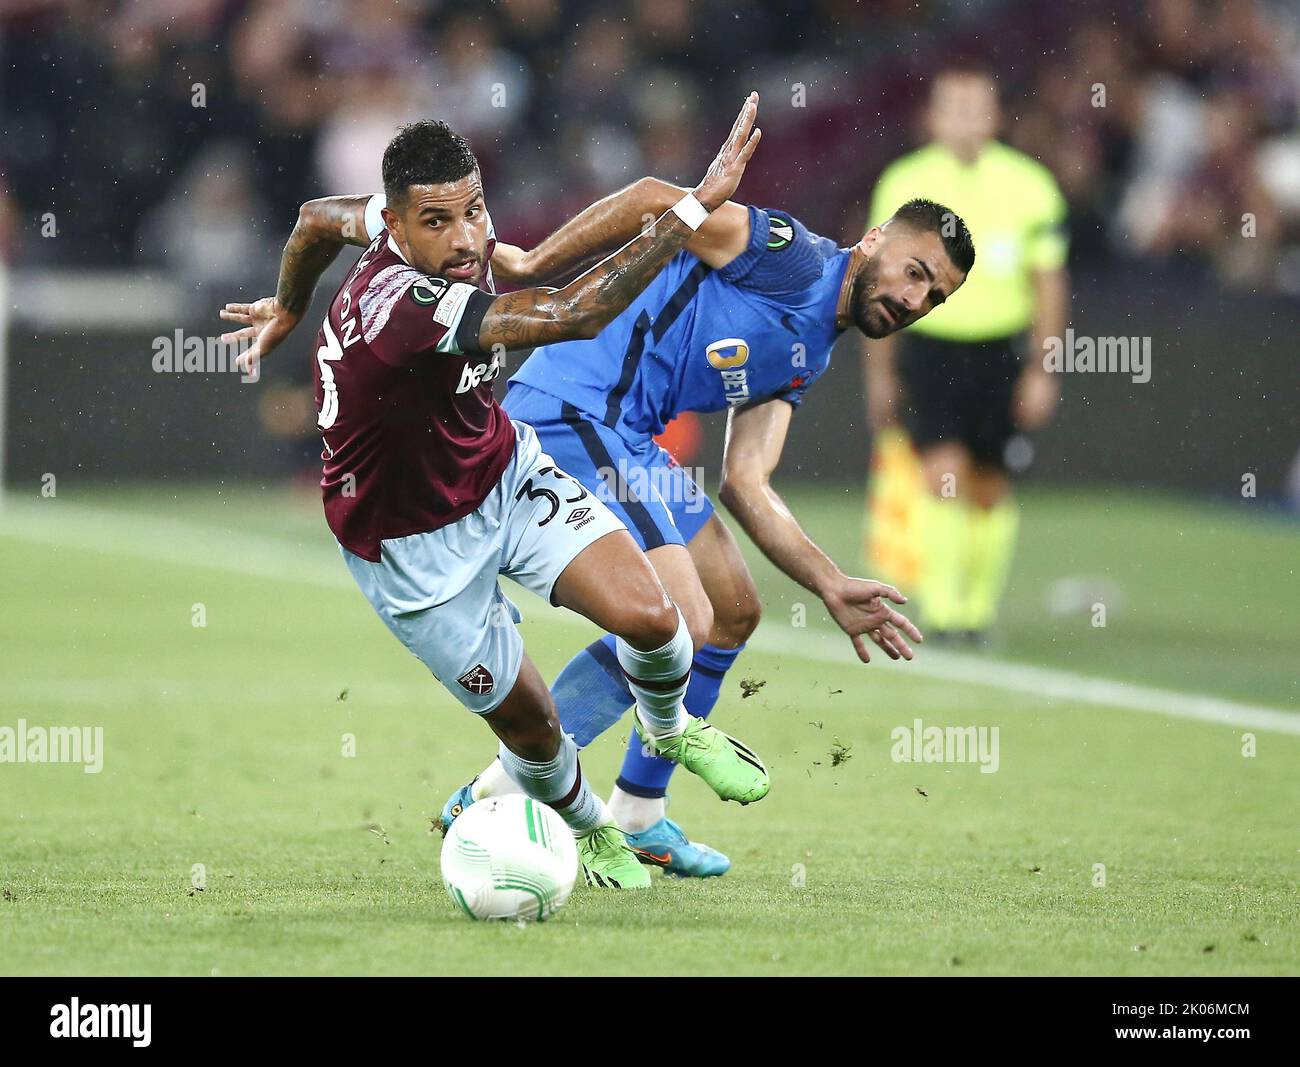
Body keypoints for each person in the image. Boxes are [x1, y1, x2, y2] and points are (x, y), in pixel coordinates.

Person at [218, 96, 769, 891]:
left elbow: (311, 220)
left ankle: (673, 725)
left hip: (505, 475)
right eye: (438, 223)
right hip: (410, 548)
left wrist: (290, 307)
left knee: (657, 618)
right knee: (535, 730)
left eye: (474, 210)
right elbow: (574, 313)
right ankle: (592, 829)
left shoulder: (394, 220)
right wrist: (691, 209)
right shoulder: (405, 307)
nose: (468, 238)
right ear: (400, 231)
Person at [434, 185, 974, 876]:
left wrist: (830, 583)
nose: (915, 300)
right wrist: (535, 260)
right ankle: (499, 788)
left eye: (936, 297)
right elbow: (657, 199)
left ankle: (639, 814)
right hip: (573, 410)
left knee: (731, 609)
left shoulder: (815, 348)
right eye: (916, 272)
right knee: (680, 618)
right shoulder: (789, 256)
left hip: (628, 438)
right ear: (872, 240)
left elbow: (748, 482)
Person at [863, 65, 1070, 643]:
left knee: (990, 486)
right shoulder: (903, 182)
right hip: (929, 349)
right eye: (952, 107)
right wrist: (879, 369)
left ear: (996, 116)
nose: (965, 119)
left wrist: (1042, 368)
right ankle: (946, 612)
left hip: (1000, 355)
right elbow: (876, 279)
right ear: (933, 115)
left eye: (976, 107)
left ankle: (978, 612)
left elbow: (1049, 284)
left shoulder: (1031, 185)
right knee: (941, 475)